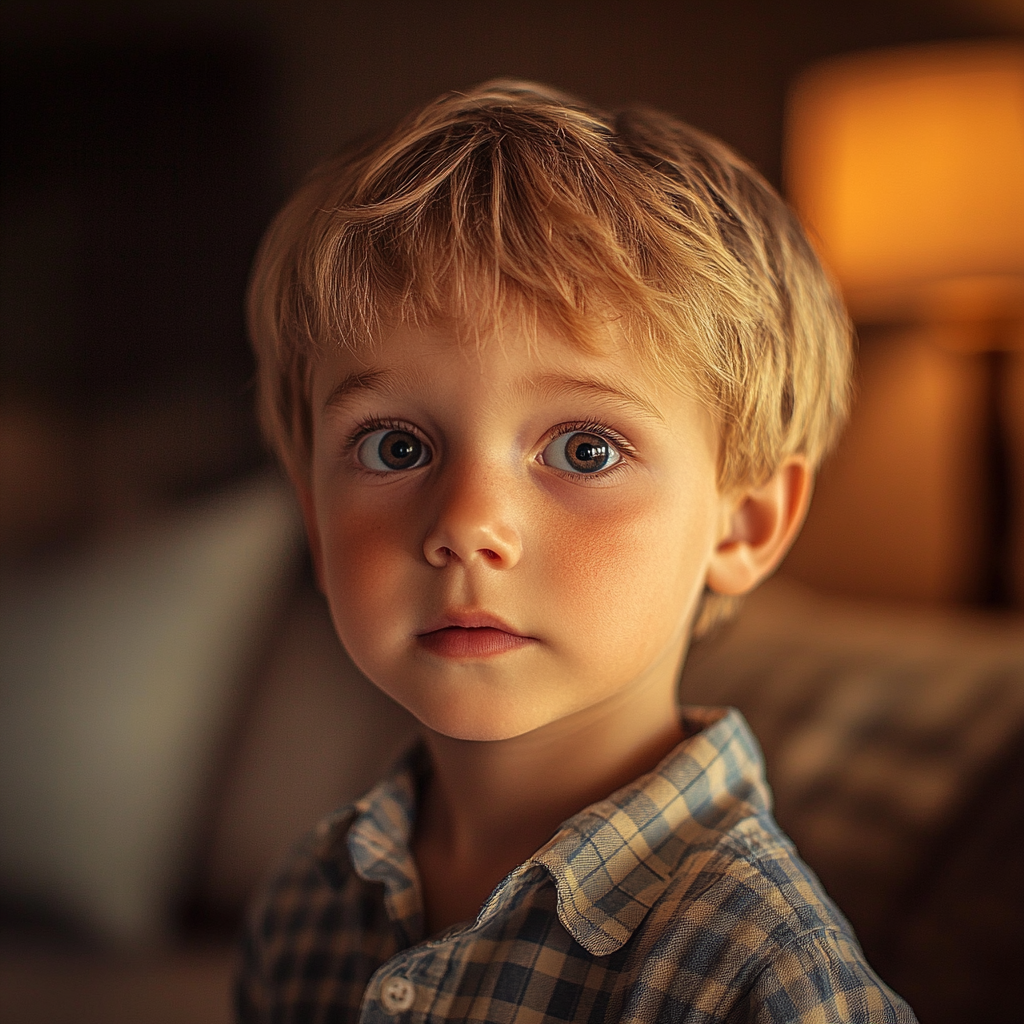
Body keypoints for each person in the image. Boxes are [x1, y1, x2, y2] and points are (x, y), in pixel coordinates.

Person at [236, 80, 916, 1023]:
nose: (467, 523)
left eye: (584, 450)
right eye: (397, 447)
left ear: (744, 522)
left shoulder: (760, 975)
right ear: (313, 516)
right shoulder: (309, 902)